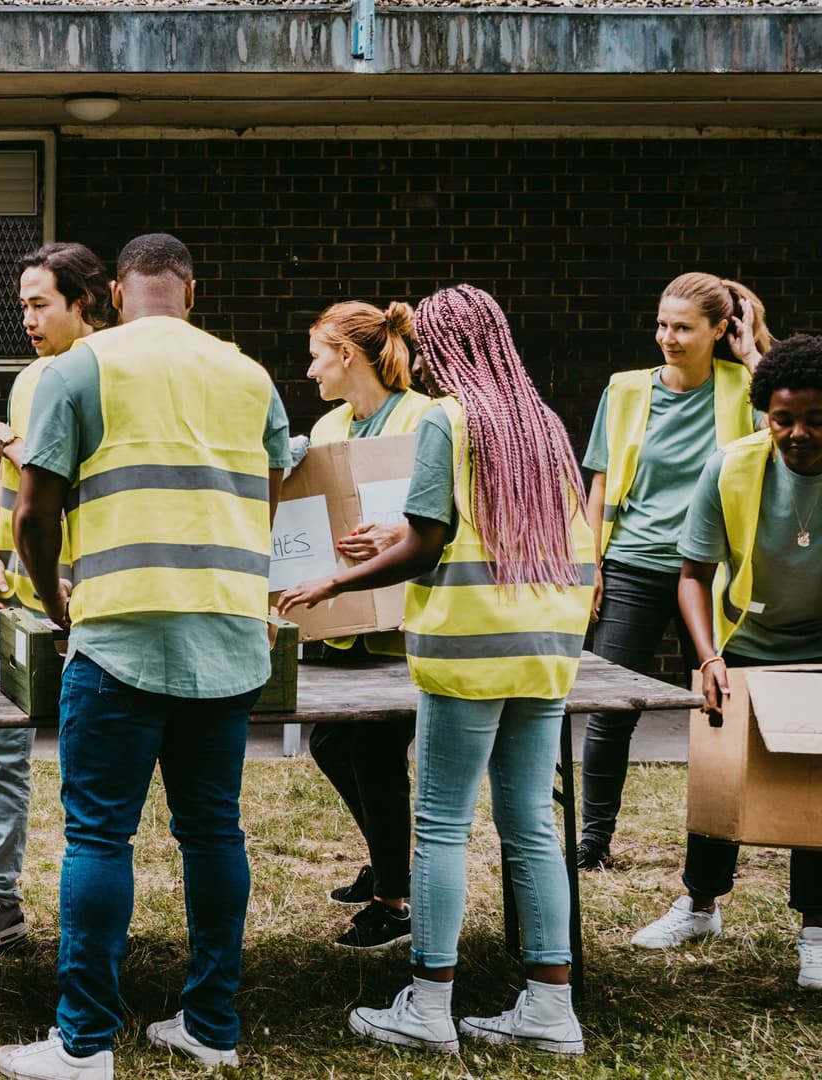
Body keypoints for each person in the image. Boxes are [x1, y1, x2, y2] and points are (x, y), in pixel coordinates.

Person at [0, 234, 290, 1078]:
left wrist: (53, 598)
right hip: (228, 633)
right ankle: (213, 1026)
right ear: (191, 293)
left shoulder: (79, 370)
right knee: (212, 834)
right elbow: (273, 495)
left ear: (117, 294)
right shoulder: (250, 375)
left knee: (98, 837)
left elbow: (32, 512)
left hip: (120, 630)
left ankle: (83, 1045)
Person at [280, 284, 596, 1057]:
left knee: (444, 827)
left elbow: (424, 543)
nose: (418, 356)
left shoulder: (449, 422)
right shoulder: (543, 423)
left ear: (448, 346)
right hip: (549, 640)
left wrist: (333, 583)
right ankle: (549, 1013)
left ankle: (427, 1006)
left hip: (469, 643)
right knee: (530, 826)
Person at [628, 333, 822, 992]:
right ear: (765, 414)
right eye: (784, 419)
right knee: (720, 779)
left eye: (816, 420)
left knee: (816, 787)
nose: (799, 433)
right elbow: (692, 574)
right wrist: (708, 655)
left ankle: (818, 931)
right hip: (743, 642)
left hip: (820, 650)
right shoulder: (733, 466)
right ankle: (700, 905)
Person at [0, 242, 111, 962]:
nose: (28, 318)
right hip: (10, 598)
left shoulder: (107, 377)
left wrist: (10, 445)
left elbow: (71, 477)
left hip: (81, 595)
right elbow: (12, 490)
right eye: (23, 305)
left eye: (41, 304)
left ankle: (88, 910)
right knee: (0, 753)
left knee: (88, 760)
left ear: (87, 303)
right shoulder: (31, 376)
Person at [575, 273, 772, 871]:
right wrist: (589, 562)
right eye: (662, 324)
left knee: (719, 711)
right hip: (632, 563)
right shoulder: (626, 389)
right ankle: (593, 840)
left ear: (720, 330)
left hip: (710, 573)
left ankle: (716, 850)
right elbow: (601, 482)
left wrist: (756, 360)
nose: (668, 336)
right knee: (612, 708)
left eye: (683, 327)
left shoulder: (745, 388)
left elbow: (782, 440)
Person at [298, 300, 435, 953]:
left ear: (347, 356)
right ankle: (392, 862)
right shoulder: (328, 425)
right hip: (343, 619)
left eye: (317, 355)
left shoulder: (424, 417)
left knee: (377, 755)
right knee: (328, 743)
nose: (309, 370)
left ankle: (396, 900)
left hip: (405, 623)